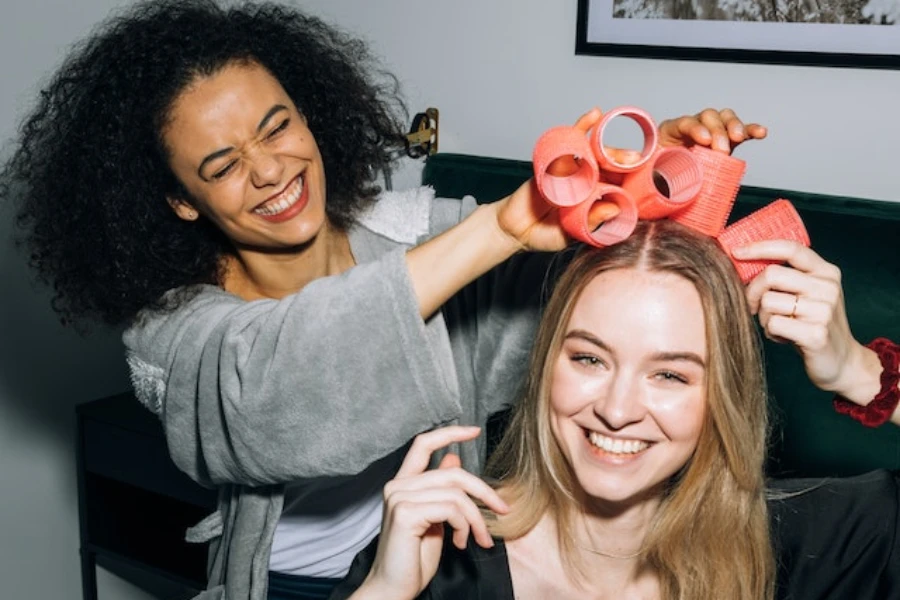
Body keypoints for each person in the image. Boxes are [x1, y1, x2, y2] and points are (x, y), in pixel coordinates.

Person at [0, 0, 767, 598]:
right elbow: (292, 382)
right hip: (299, 588)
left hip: (451, 567)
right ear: (179, 202)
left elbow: (577, 315)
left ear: (311, 117)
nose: (270, 171)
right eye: (224, 164)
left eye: (278, 127)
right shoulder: (177, 339)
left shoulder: (422, 237)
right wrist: (502, 225)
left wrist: (645, 179)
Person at [331, 220, 900, 600]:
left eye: (670, 374)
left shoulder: (798, 547)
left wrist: (857, 370)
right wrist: (383, 591)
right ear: (546, 362)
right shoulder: (440, 558)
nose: (617, 409)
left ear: (721, 398)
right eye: (589, 359)